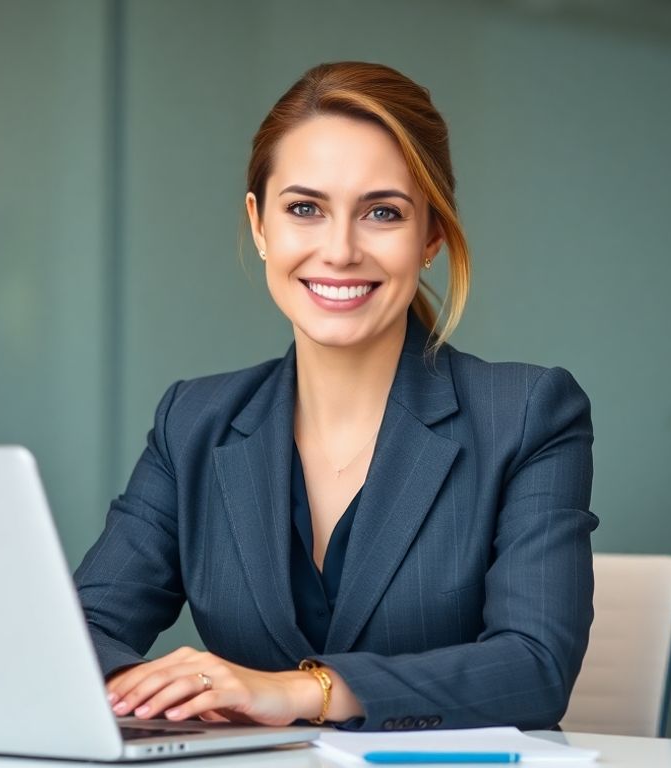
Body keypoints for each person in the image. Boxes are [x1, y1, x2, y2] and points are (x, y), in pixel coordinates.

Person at [73, 61, 596, 732]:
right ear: (261, 226)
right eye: (305, 209)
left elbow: (534, 667)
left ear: (431, 235)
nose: (340, 250)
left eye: (382, 212)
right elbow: (80, 629)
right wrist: (161, 693)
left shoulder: (525, 415)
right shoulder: (195, 423)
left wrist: (300, 692)